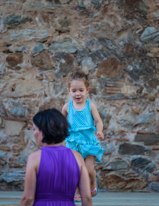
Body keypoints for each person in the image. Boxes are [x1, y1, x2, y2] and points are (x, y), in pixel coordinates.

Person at [20, 109, 92, 206]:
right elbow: (87, 198)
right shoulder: (77, 157)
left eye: (35, 129)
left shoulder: (34, 158)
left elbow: (27, 199)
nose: (34, 133)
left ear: (44, 131)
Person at [62, 69, 105, 202]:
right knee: (75, 170)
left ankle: (93, 181)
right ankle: (77, 190)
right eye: (74, 91)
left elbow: (98, 121)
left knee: (89, 169)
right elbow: (61, 121)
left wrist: (100, 130)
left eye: (81, 90)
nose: (77, 94)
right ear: (69, 91)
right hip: (74, 144)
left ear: (87, 90)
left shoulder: (89, 105)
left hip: (88, 142)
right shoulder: (67, 107)